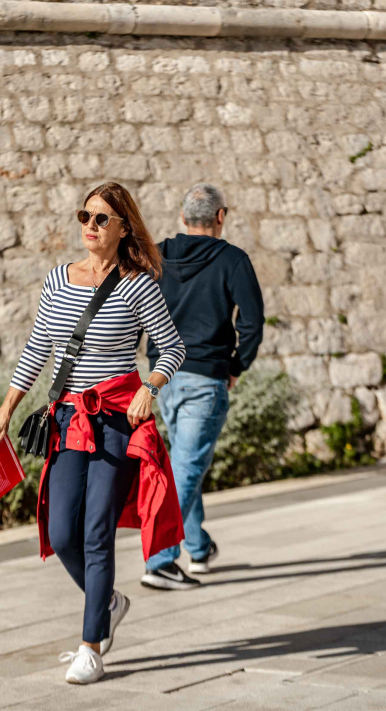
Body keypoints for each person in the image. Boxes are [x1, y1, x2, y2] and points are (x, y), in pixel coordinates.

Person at [0, 182, 187, 685]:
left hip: (117, 421)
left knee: (97, 532)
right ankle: (110, 603)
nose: (90, 227)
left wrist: (151, 387)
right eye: (85, 216)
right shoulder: (58, 279)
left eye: (101, 219)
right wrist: (5, 411)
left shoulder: (138, 285)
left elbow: (172, 348)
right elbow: (38, 349)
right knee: (60, 534)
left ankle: (90, 647)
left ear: (124, 229)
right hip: (69, 420)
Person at [141, 183, 264, 590]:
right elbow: (252, 323)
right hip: (205, 378)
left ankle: (198, 547)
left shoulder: (156, 256)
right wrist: (237, 366)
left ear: (183, 217)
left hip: (163, 380)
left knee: (183, 464)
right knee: (186, 468)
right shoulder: (233, 260)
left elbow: (133, 309)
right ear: (221, 217)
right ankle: (160, 561)